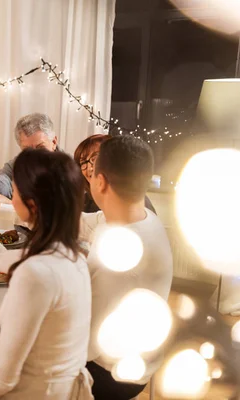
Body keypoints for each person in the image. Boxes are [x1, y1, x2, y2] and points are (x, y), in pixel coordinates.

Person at [0, 149, 93, 400]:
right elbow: (0, 257)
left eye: (14, 192)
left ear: (31, 204)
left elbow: (1, 379)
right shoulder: (73, 255)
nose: (10, 199)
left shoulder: (35, 273)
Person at [81, 135, 173, 399]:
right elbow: (84, 222)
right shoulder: (146, 218)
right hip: (145, 351)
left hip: (112, 373)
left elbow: (85, 347)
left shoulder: (117, 258)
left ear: (100, 182)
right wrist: (4, 208)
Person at [74, 134, 156, 214]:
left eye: (95, 158)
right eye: (83, 162)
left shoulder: (134, 202)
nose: (90, 168)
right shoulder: (82, 201)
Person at [0, 113, 58, 198]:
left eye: (41, 147)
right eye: (28, 150)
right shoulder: (18, 163)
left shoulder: (69, 169)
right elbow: (1, 180)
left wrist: (7, 204)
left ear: (54, 142)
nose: (34, 157)